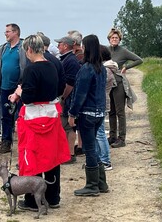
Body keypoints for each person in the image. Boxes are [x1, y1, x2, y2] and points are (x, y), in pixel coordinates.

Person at [8, 34, 70, 211]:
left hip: (33, 118)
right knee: (52, 157)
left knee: (32, 157)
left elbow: (27, 98)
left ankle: (31, 201)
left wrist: (20, 90)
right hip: (51, 115)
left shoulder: (30, 70)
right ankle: (53, 197)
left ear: (28, 49)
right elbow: (60, 88)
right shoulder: (52, 65)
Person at [68, 34, 108, 197]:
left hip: (87, 113)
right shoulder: (102, 68)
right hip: (99, 112)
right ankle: (101, 182)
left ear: (87, 47)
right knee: (93, 147)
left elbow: (80, 94)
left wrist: (72, 113)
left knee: (89, 148)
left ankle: (92, 185)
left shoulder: (86, 68)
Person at [0, 23, 28, 154]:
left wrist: (22, 78)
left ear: (16, 32)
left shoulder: (23, 47)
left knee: (21, 116)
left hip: (18, 87)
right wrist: (1, 68)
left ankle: (24, 144)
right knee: (6, 115)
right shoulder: (4, 48)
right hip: (4, 86)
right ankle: (6, 142)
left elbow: (27, 63)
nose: (5, 34)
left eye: (8, 31)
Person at [107, 28, 142, 148]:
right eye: (112, 38)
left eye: (116, 38)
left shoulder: (123, 51)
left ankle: (122, 138)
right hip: (108, 84)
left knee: (119, 111)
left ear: (119, 39)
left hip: (119, 84)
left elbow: (139, 60)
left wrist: (127, 67)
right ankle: (112, 136)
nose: (114, 39)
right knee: (110, 111)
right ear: (109, 39)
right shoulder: (106, 50)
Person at [54, 35, 80, 164]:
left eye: (59, 44)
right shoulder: (67, 59)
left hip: (69, 98)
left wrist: (62, 97)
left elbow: (70, 83)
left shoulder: (70, 60)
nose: (58, 46)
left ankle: (70, 154)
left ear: (65, 46)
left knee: (68, 126)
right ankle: (67, 153)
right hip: (68, 97)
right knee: (65, 126)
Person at [97, 45, 117, 171]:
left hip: (102, 102)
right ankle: (102, 159)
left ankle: (105, 161)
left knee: (100, 133)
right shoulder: (109, 69)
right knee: (100, 133)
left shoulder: (106, 71)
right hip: (104, 102)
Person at [68, 30, 84, 156]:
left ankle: (81, 146)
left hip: (77, 93)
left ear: (73, 42)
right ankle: (80, 145)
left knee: (78, 122)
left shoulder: (79, 57)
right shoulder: (78, 55)